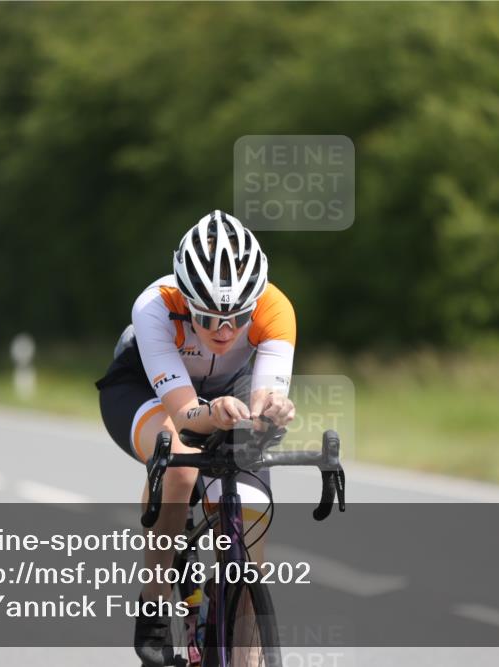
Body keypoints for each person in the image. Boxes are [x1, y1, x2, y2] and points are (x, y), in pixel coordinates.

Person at [96, 210, 296, 665]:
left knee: (249, 507)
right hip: (144, 391)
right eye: (208, 318)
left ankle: (239, 635)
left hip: (229, 392)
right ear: (187, 301)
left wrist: (272, 411)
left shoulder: (276, 308)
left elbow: (265, 393)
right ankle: (155, 602)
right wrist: (213, 414)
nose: (225, 332)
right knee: (181, 466)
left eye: (238, 318)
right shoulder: (155, 305)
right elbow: (186, 414)